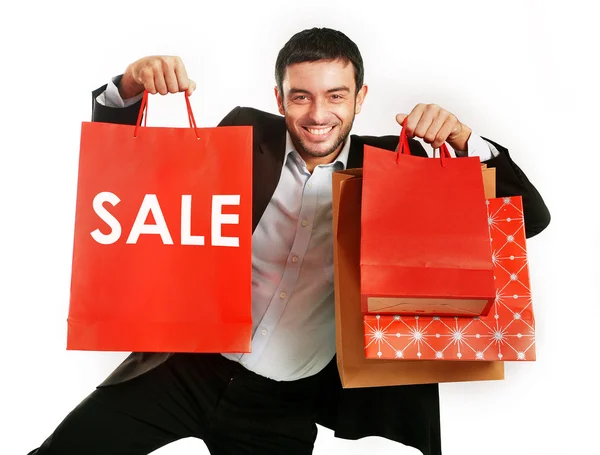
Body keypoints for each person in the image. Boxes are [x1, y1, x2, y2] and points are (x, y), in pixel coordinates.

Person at [28, 27, 550, 455]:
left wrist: (467, 143)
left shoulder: (399, 167)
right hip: (182, 370)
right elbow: (124, 164)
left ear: (360, 99)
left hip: (286, 405)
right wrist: (130, 85)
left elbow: (531, 217)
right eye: (300, 96)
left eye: (335, 96)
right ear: (278, 97)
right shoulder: (243, 134)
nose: (317, 114)